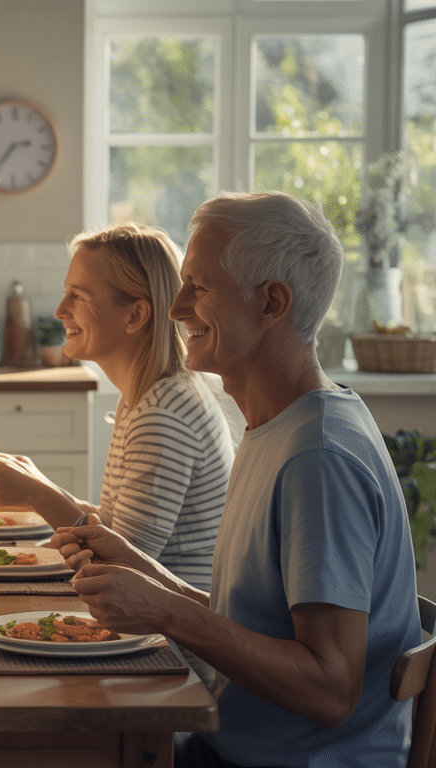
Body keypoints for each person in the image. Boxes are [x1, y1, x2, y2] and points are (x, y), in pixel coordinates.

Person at [56, 191, 421, 767]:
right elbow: (255, 622)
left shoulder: (318, 457)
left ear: (272, 302)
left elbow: (329, 689)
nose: (174, 310)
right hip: (231, 742)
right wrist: (139, 567)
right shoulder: (277, 424)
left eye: (197, 287)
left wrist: (170, 612)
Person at [0, 224, 234, 590]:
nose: (61, 310)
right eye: (66, 293)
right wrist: (39, 484)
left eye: (79, 296)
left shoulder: (162, 415)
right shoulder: (146, 396)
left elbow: (124, 566)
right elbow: (113, 527)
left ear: (135, 316)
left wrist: (36, 493)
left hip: (171, 640)